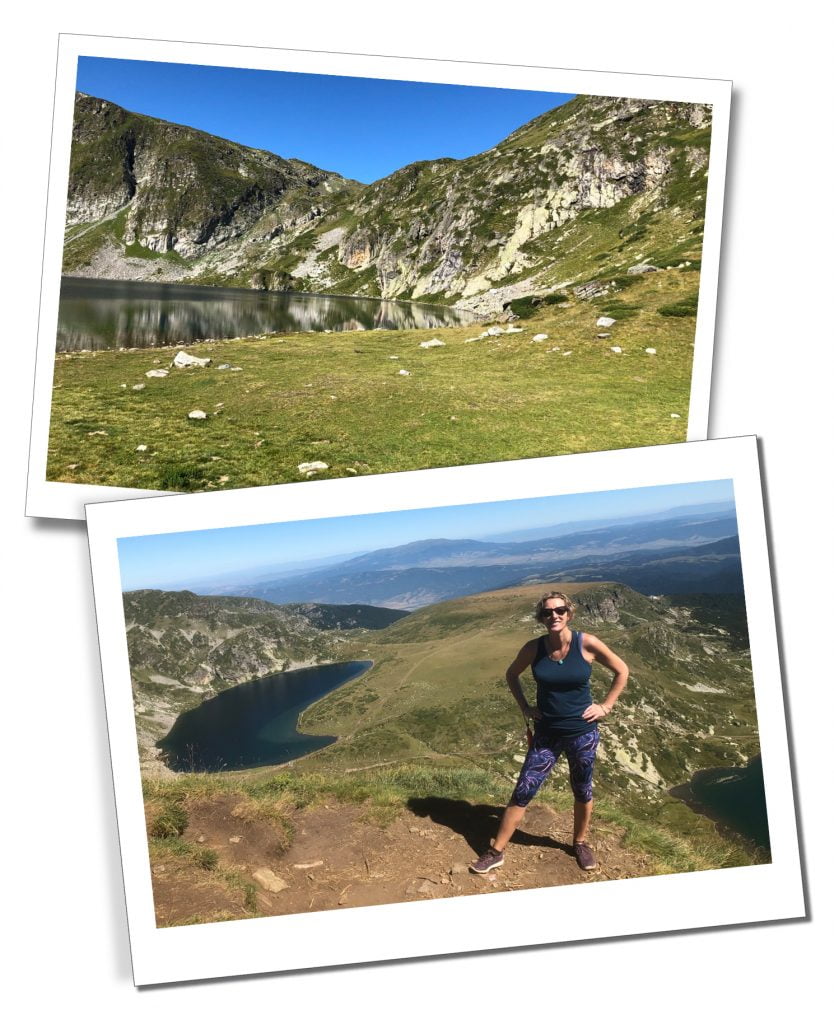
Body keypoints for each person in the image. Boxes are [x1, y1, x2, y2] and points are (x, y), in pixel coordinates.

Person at [471, 591, 628, 874]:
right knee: (524, 789)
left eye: (559, 610)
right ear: (541, 618)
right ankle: (496, 851)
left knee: (582, 788)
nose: (554, 615)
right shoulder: (534, 648)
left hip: (582, 733)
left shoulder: (587, 643)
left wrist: (606, 706)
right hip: (547, 734)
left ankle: (580, 843)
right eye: (547, 612)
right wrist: (525, 707)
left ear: (569, 613)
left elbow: (622, 670)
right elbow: (511, 675)